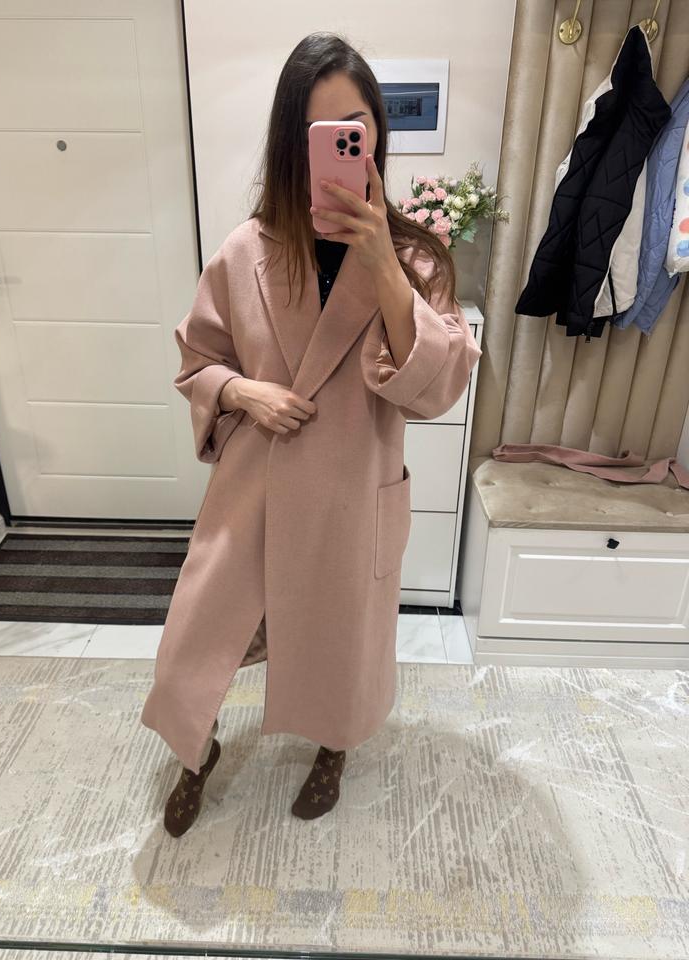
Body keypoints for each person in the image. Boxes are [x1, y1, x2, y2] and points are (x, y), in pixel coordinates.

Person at [148, 31, 482, 839]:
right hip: (252, 492)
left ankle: (333, 746)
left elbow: (440, 388)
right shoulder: (246, 251)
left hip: (349, 498)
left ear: (375, 137)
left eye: (355, 129)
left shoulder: (416, 259)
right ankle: (196, 749)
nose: (341, 147)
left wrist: (384, 267)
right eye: (321, 133)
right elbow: (198, 361)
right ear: (293, 144)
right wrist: (242, 391)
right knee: (199, 639)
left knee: (341, 644)